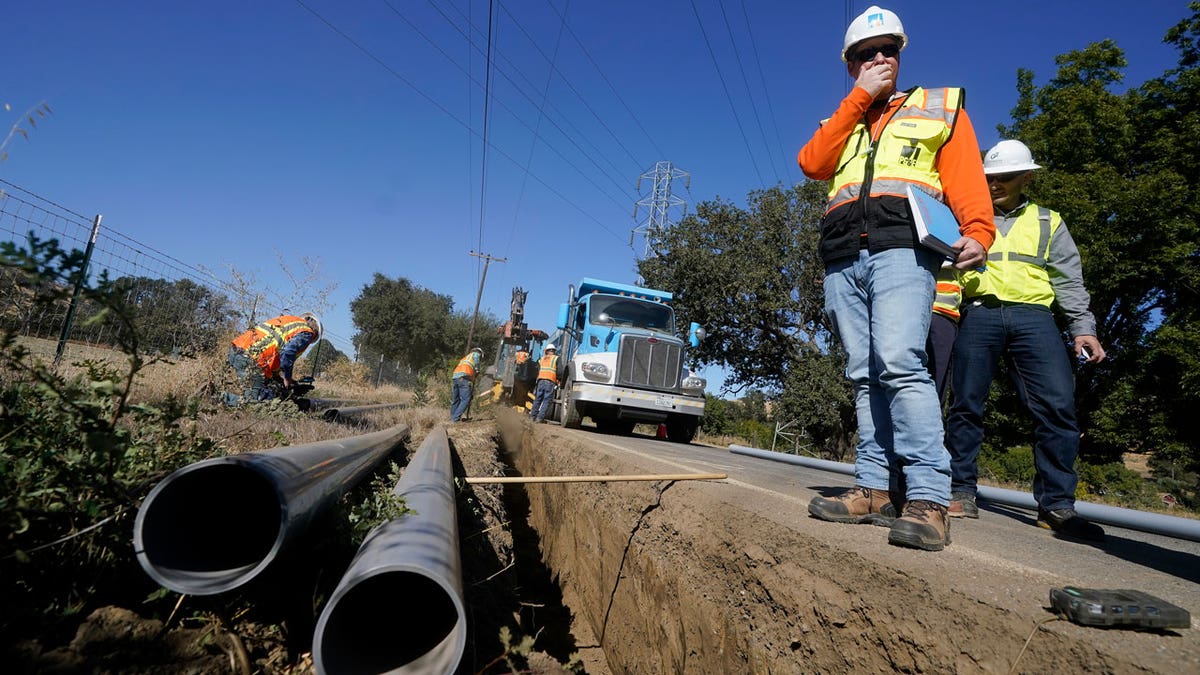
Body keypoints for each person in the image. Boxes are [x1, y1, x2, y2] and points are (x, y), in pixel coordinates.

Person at [797, 5, 995, 551]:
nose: (880, 58)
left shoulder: (937, 108)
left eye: (889, 50)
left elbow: (965, 176)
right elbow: (812, 164)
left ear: (901, 55)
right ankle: (873, 489)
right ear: (852, 64)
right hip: (843, 257)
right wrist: (858, 98)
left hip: (903, 251)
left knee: (901, 363)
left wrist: (979, 229)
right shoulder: (842, 119)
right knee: (863, 374)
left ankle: (930, 498)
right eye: (867, 53)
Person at [945, 140, 1107, 541]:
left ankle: (1056, 505)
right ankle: (960, 489)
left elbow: (1069, 280)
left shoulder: (1049, 221)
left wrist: (1082, 328)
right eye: (990, 178)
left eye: (1006, 177)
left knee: (1057, 407)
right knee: (965, 404)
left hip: (1035, 318)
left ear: (1027, 177)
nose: (996, 184)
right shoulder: (964, 218)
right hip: (979, 313)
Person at [228, 312, 321, 403]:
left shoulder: (288, 321)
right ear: (315, 333)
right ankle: (218, 398)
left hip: (236, 351)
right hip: (250, 360)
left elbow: (274, 353)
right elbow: (288, 353)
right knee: (252, 403)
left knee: (262, 390)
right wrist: (287, 379)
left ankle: (219, 395)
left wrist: (286, 381)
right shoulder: (307, 333)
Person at [530, 344, 563, 423]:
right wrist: (559, 379)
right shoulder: (556, 358)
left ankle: (532, 417)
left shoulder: (541, 359)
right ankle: (539, 418)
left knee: (537, 399)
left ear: (546, 351)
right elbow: (560, 372)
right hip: (550, 381)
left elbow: (536, 370)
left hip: (540, 381)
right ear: (554, 351)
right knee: (546, 400)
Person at [450, 347, 484, 422]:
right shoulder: (476, 354)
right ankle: (455, 418)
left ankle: (452, 417)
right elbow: (476, 365)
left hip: (455, 377)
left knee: (456, 399)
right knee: (466, 399)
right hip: (464, 377)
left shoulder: (465, 358)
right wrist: (477, 370)